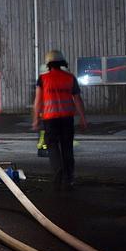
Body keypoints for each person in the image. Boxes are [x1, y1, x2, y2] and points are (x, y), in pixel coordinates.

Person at [31, 50, 88, 190]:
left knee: (52, 147)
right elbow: (78, 99)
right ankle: (69, 178)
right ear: (62, 62)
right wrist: (82, 118)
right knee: (67, 148)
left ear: (48, 64)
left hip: (50, 120)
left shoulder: (43, 79)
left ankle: (58, 172)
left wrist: (35, 120)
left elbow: (38, 101)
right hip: (67, 119)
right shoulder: (70, 78)